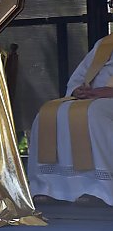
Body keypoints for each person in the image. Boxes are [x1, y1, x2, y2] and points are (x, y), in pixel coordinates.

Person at [28, 34, 113, 206]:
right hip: (91, 100)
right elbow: (79, 76)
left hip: (105, 102)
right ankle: (48, 187)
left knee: (93, 114)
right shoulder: (105, 44)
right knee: (48, 113)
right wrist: (77, 91)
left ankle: (100, 188)